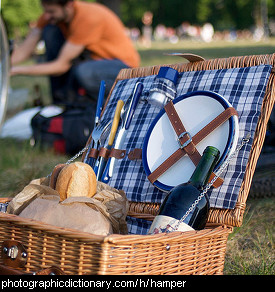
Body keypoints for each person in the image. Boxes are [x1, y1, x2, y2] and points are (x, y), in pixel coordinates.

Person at [10, 0, 140, 105]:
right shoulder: (51, 15)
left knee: (84, 72)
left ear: (69, 4)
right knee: (50, 30)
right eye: (45, 11)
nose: (46, 16)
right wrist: (4, 65)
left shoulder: (88, 18)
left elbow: (61, 65)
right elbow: (24, 50)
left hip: (123, 68)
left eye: (51, 11)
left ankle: (104, 107)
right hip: (93, 60)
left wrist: (15, 70)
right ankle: (63, 103)